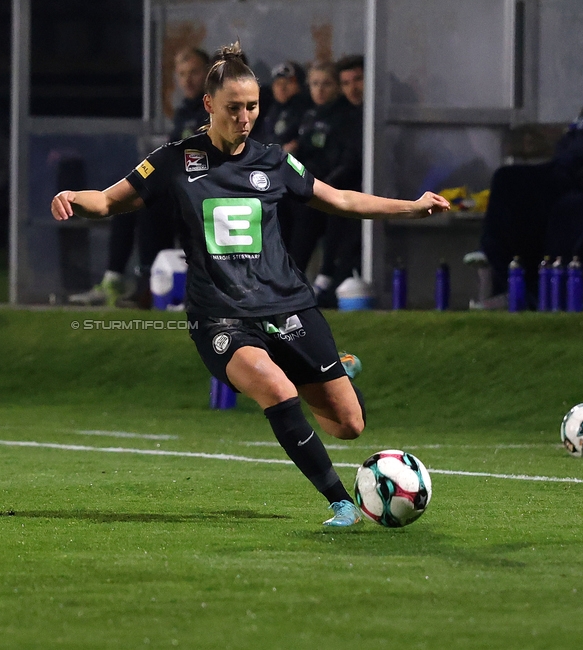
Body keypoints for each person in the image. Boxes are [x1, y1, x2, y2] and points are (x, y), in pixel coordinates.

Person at [51, 42, 449, 526]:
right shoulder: (174, 161)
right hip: (220, 314)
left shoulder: (274, 161)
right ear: (209, 106)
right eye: (234, 108)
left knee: (349, 426)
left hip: (287, 305)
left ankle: (332, 370)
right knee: (276, 391)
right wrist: (74, 196)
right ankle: (341, 502)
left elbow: (340, 200)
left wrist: (410, 206)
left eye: (253, 107)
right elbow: (110, 201)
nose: (245, 118)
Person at [466, 49, 583, 308]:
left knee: (568, 210)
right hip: (568, 173)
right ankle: (501, 265)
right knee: (508, 180)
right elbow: (570, 147)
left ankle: (560, 293)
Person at [68, 48, 210, 307]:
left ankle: (149, 285)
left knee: (148, 202)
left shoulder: (213, 109)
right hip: (182, 188)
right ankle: (115, 279)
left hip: (206, 191)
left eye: (195, 72)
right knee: (128, 198)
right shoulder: (184, 111)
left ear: (209, 73)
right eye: (182, 74)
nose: (188, 80)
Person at [284, 61, 364, 305]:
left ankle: (320, 277)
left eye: (326, 84)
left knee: (315, 211)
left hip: (335, 187)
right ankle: (283, 278)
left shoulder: (346, 116)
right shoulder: (308, 115)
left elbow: (347, 162)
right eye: (315, 84)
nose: (319, 90)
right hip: (308, 184)